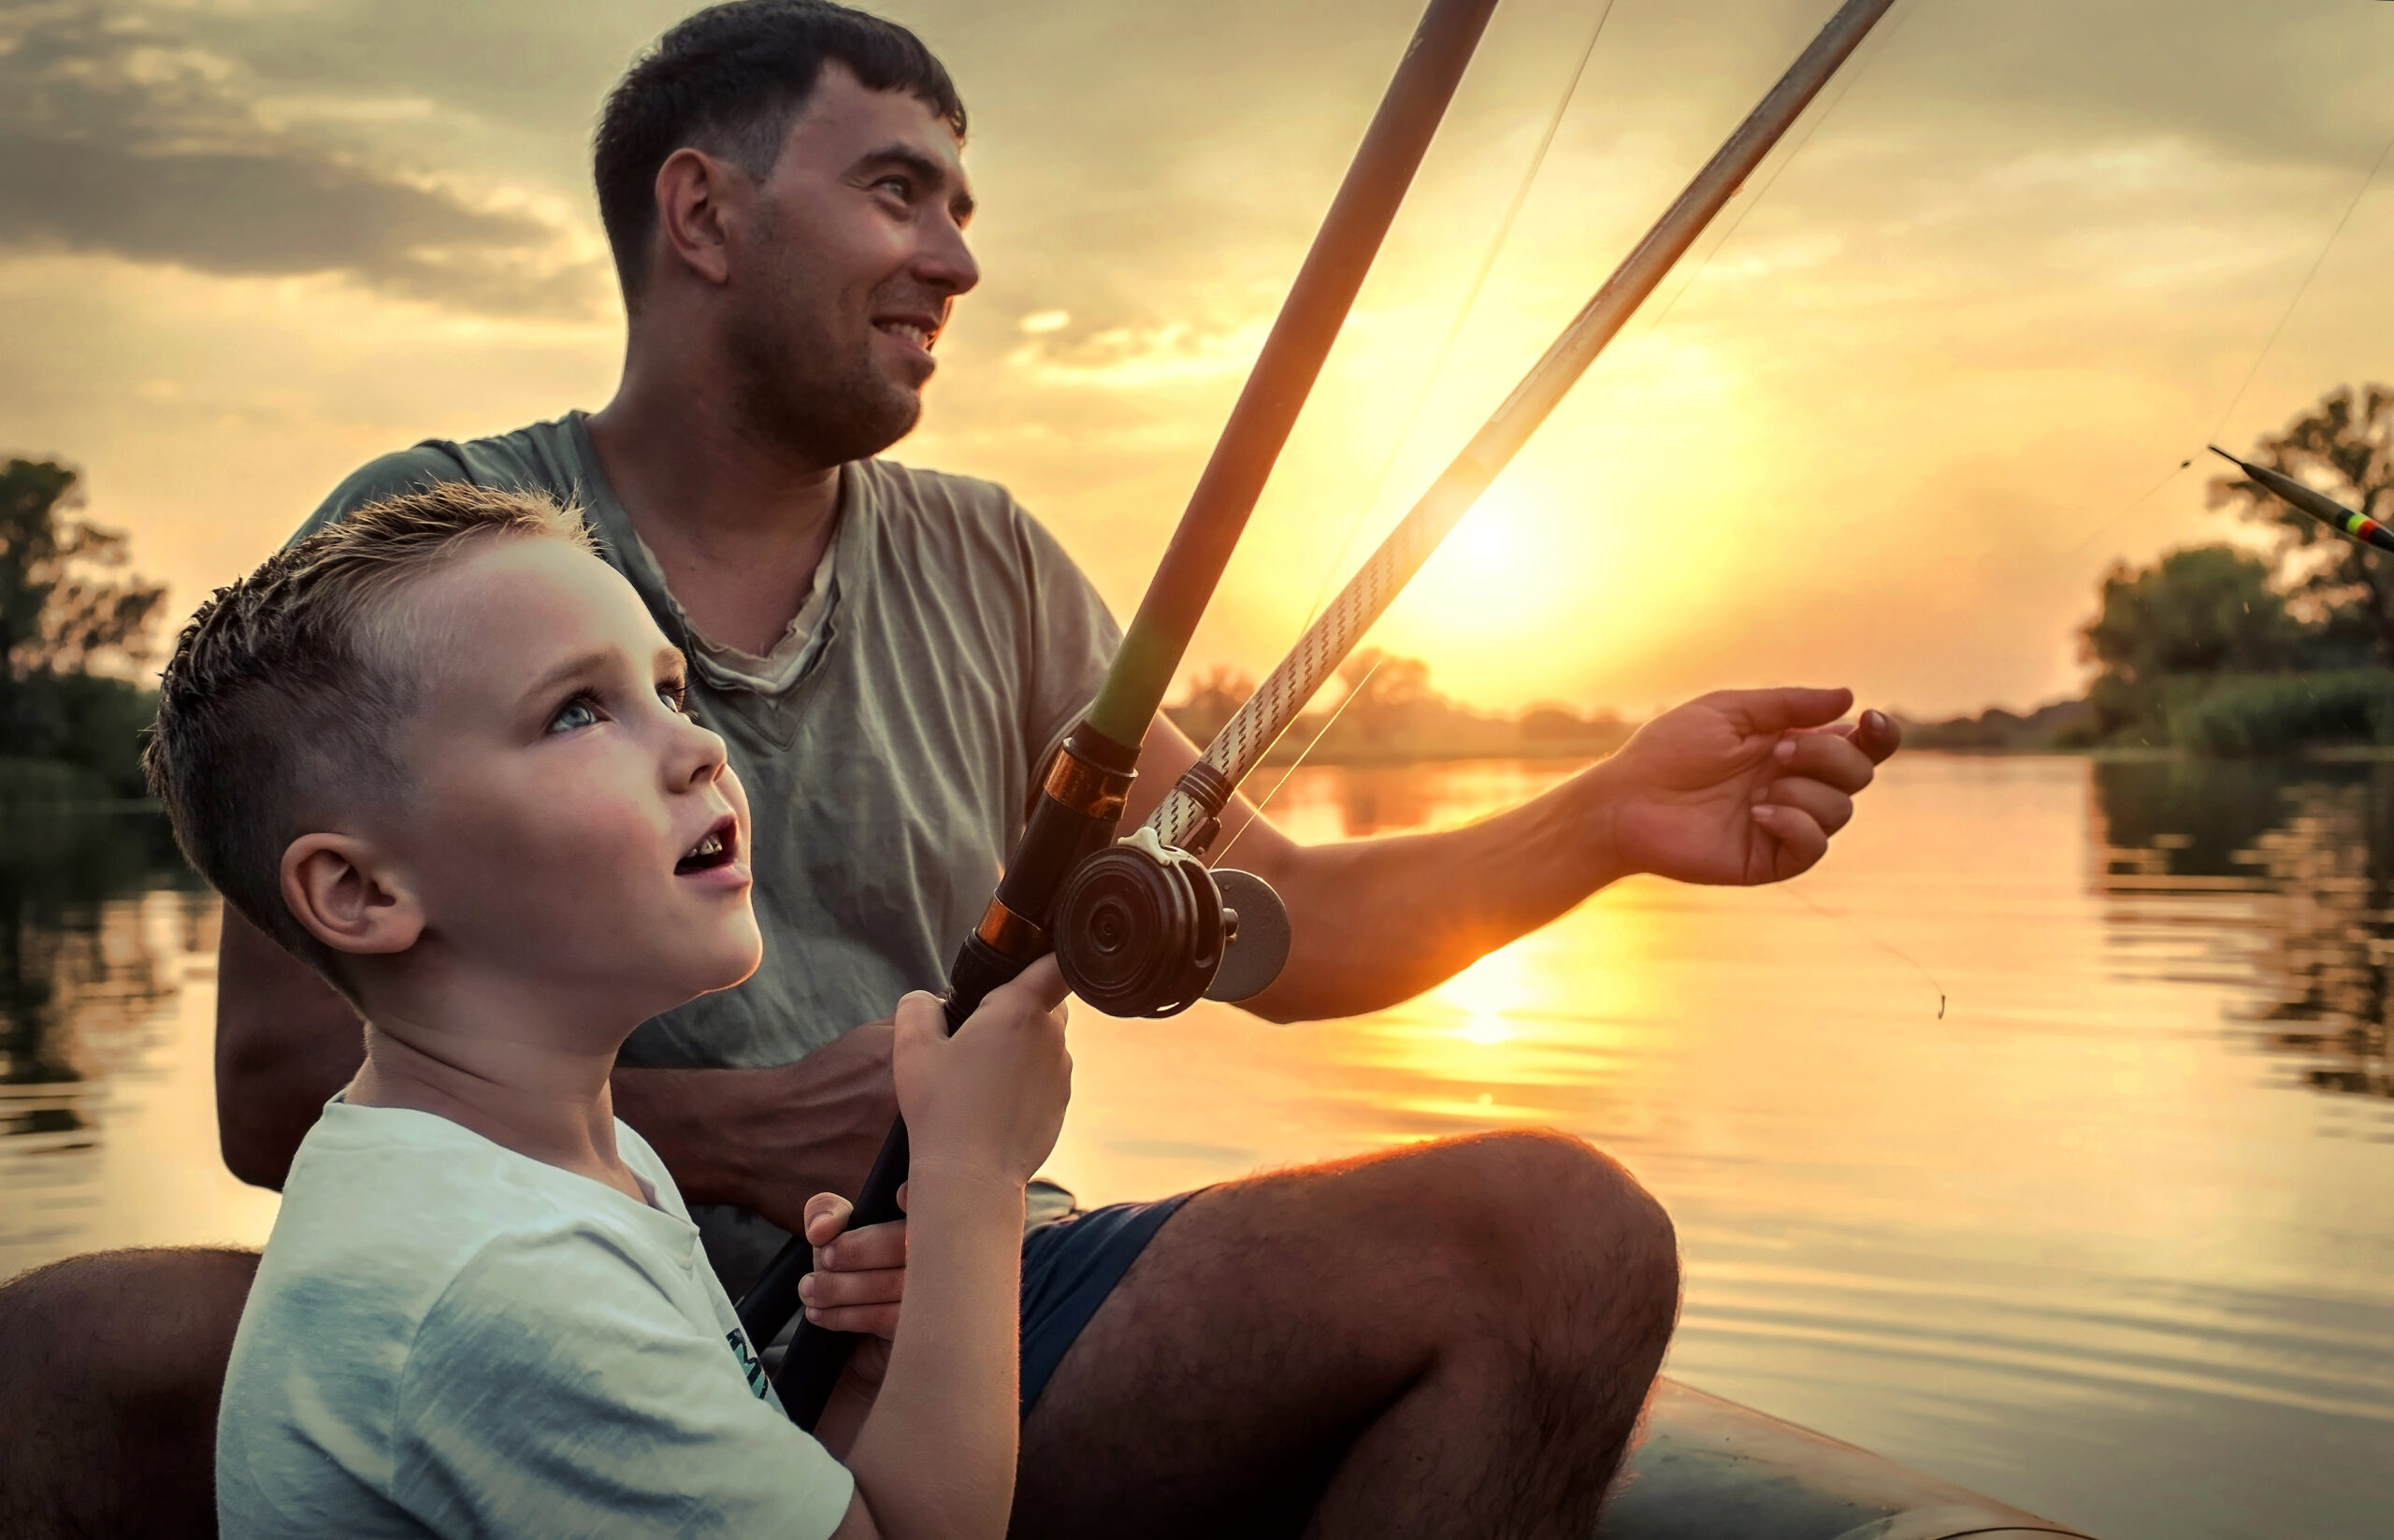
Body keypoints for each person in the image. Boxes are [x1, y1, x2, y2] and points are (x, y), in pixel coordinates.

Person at [2, 4, 1898, 1536]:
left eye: (962, 207)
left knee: (1554, 1235)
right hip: (601, 1262)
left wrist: (1596, 821)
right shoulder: (444, 560)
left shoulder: (986, 561)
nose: (958, 258)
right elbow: (274, 1090)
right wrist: (743, 1137)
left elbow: (1282, 922)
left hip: (934, 1291)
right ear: (703, 213)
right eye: (899, 190)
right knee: (68, 1341)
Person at [154, 482, 1074, 1537]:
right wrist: (974, 1182)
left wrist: (873, 1368)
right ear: (362, 894)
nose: (700, 749)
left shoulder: (559, 1170)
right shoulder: (502, 1282)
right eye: (578, 713)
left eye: (671, 692)